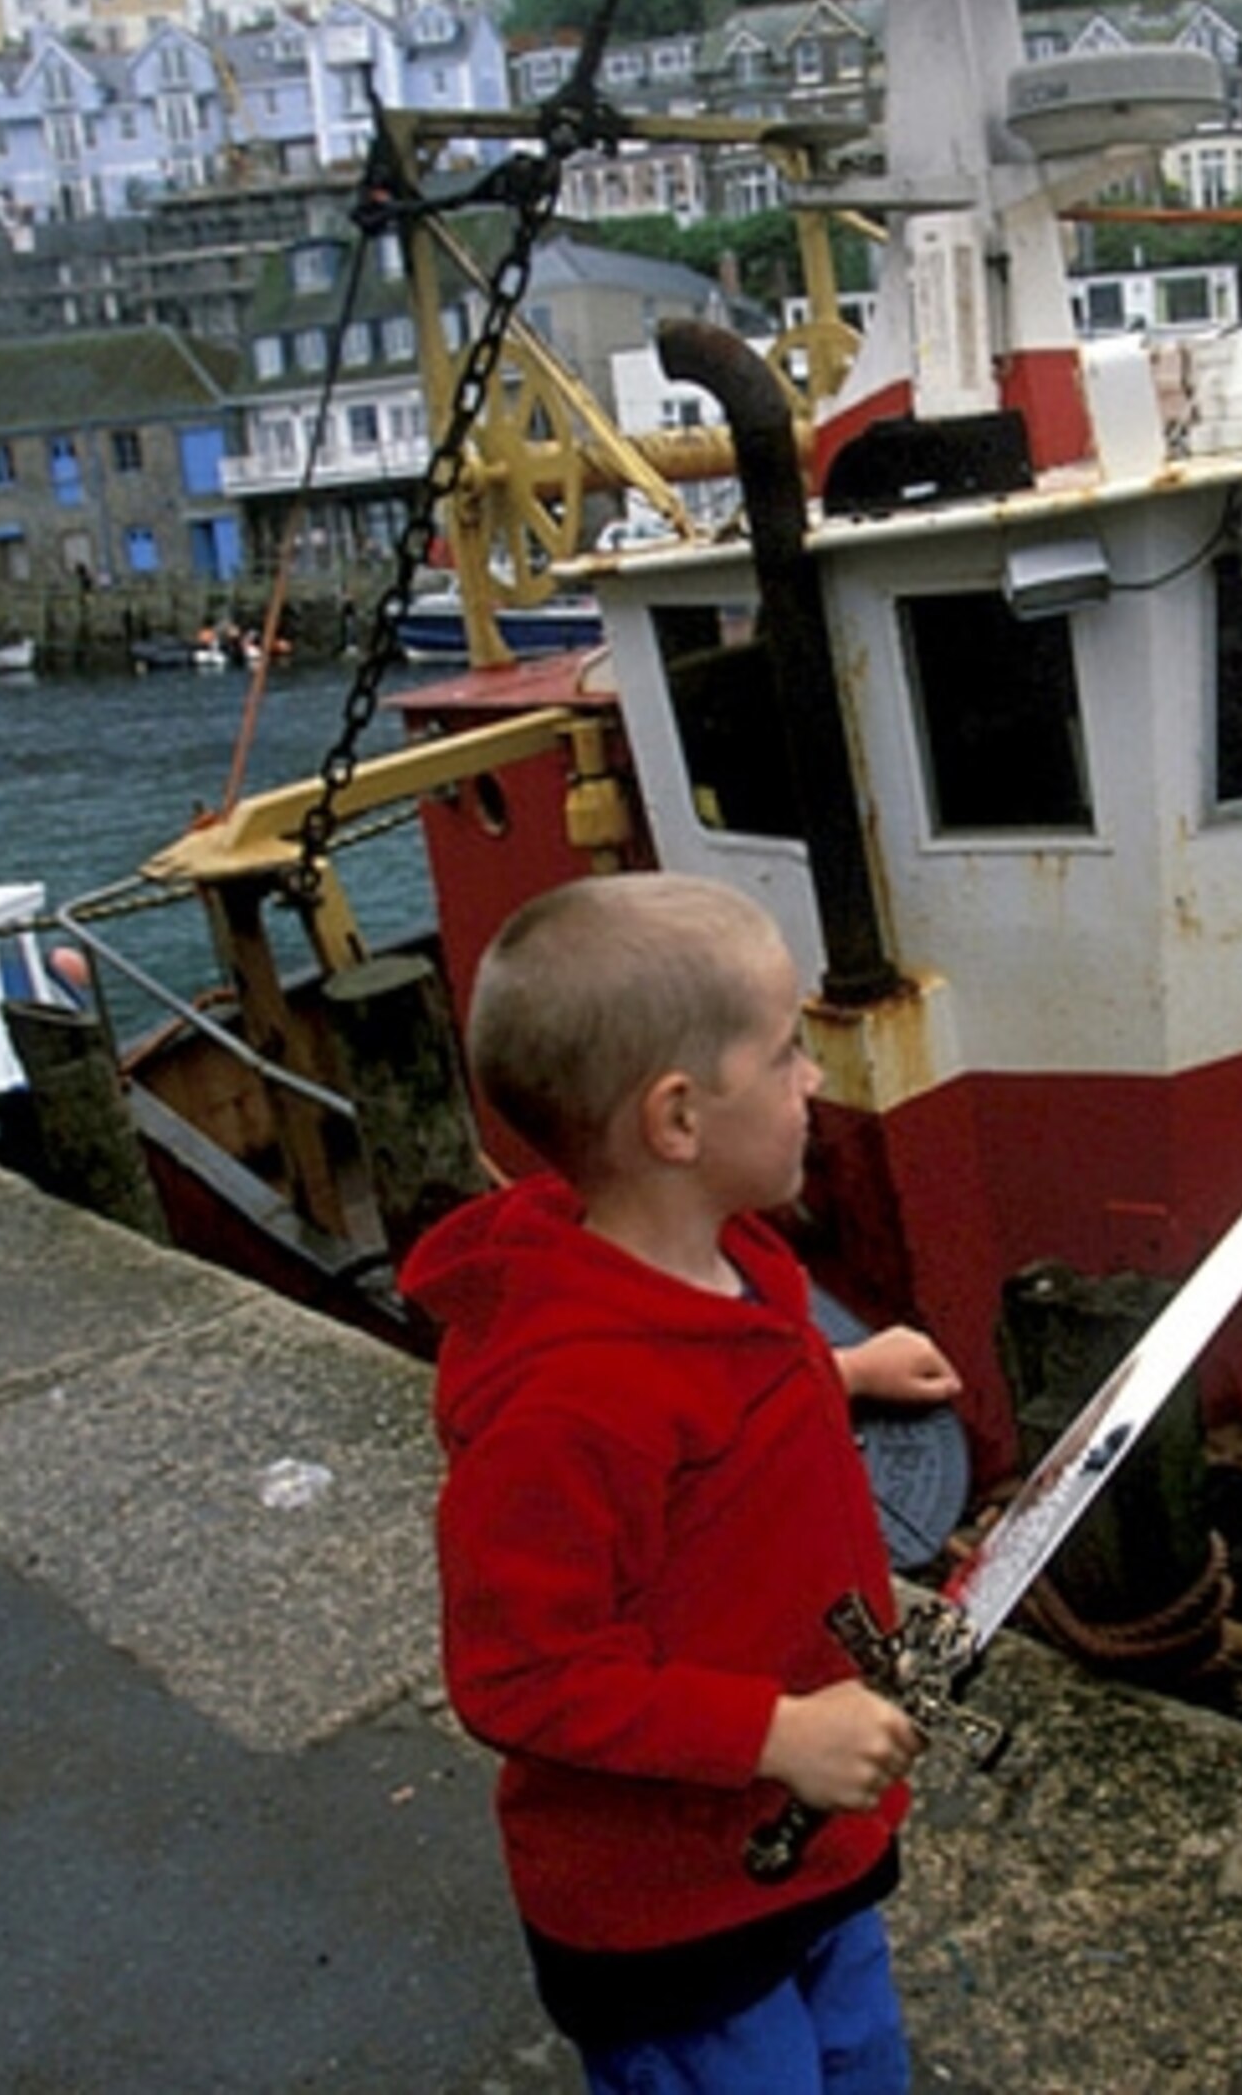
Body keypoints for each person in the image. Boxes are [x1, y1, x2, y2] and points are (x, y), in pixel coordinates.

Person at [405, 873, 963, 2094]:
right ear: (677, 1119)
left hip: (789, 1836)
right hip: (671, 1900)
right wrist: (776, 1733)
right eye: (784, 1055)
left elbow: (713, 1378)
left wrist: (843, 1368)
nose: (814, 1081)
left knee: (860, 2057)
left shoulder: (730, 1263)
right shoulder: (559, 1405)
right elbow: (520, 1670)